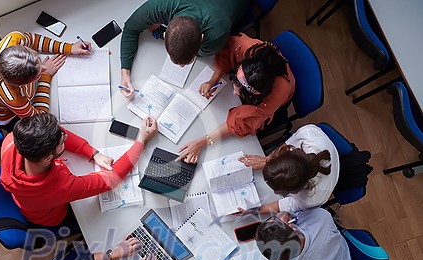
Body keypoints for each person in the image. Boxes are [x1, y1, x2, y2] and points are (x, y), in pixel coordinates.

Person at [0, 113, 157, 232]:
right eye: (62, 142)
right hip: (52, 217)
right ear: (48, 158)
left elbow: (55, 134)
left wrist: (93, 153)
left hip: (28, 202)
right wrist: (141, 141)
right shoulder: (62, 188)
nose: (66, 136)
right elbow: (111, 179)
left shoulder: (13, 140)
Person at [177, 33, 295, 163]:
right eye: (234, 83)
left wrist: (201, 142)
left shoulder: (273, 97)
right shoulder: (245, 47)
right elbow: (227, 50)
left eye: (240, 93)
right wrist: (213, 80)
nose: (234, 93)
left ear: (257, 96)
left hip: (279, 101)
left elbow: (240, 123)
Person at [119, 0, 250, 98]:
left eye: (187, 62)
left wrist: (157, 31)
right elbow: (130, 28)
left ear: (202, 38)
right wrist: (125, 74)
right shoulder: (162, 6)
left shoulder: (216, 36)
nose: (181, 67)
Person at [0, 31, 92, 131]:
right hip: (5, 116)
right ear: (24, 84)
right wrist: (46, 76)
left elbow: (34, 41)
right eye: (38, 74)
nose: (43, 68)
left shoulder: (14, 39)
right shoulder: (14, 97)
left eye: (39, 62)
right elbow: (39, 118)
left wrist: (69, 48)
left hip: (10, 102)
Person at [238, 124, 339, 215]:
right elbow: (288, 144)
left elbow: (284, 205)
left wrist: (254, 211)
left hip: (332, 176)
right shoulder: (307, 134)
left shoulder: (312, 198)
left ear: (294, 192)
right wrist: (267, 160)